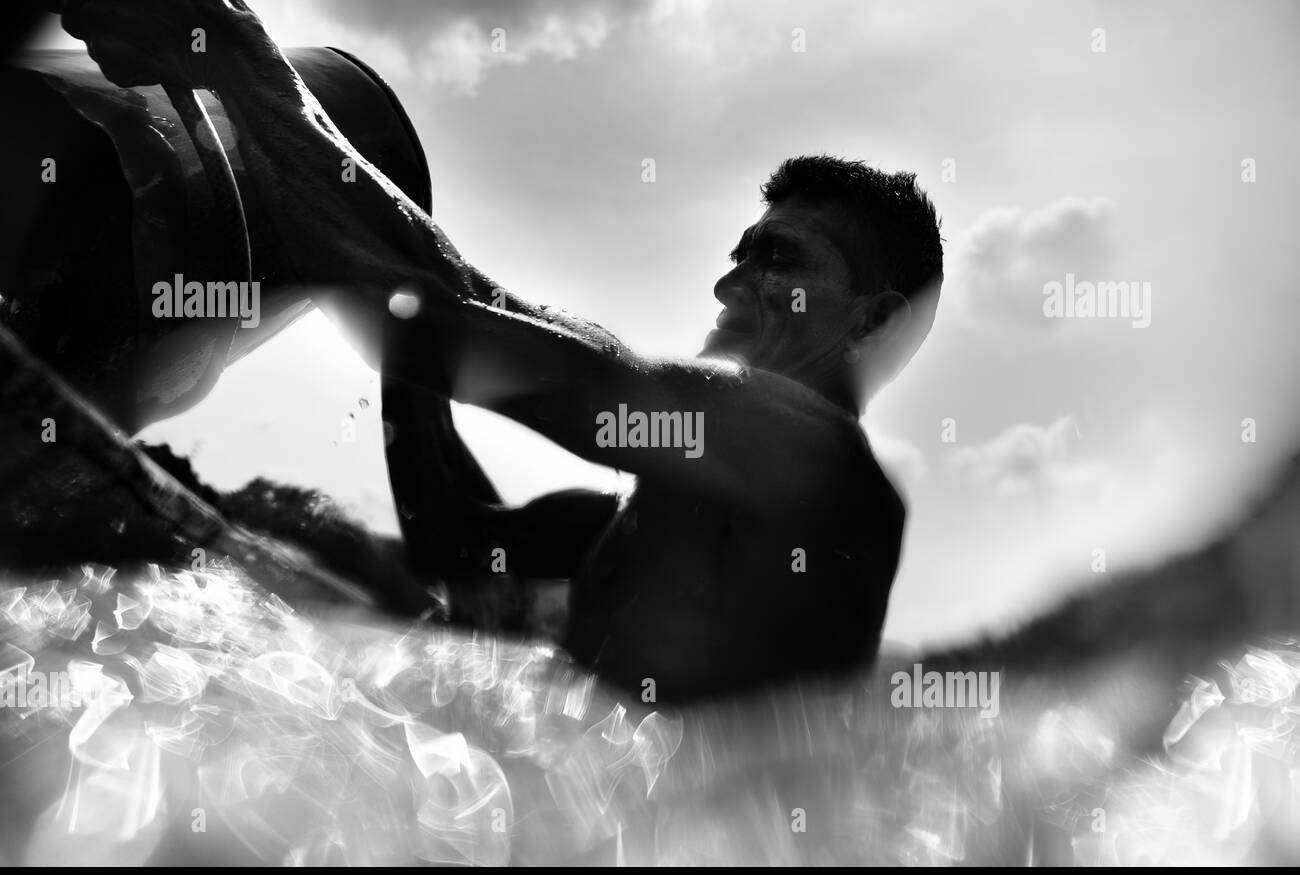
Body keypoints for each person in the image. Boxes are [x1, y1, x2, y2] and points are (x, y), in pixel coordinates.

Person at [57, 0, 944, 701]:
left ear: (869, 321)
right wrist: (404, 336)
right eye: (737, 254)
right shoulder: (651, 514)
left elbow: (495, 335)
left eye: (779, 259)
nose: (729, 285)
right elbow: (453, 537)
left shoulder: (813, 455)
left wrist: (251, 78)